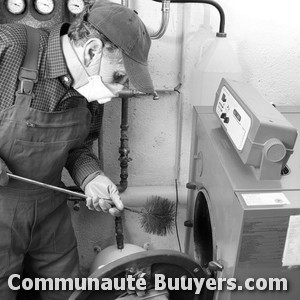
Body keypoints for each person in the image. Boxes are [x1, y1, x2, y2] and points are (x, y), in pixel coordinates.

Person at [0, 1, 155, 299]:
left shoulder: (90, 92)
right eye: (119, 77)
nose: (115, 91)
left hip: (50, 213)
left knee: (67, 293)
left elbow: (77, 147)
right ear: (92, 51)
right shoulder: (10, 46)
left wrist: (91, 177)